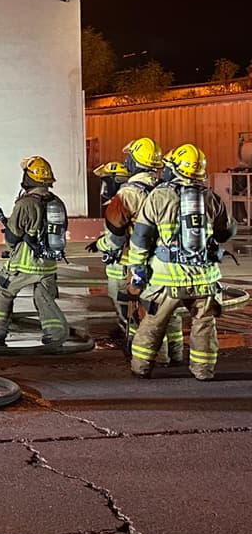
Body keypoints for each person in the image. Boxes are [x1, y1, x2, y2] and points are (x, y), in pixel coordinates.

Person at [124, 143, 235, 380]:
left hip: (166, 280)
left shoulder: (159, 196)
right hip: (205, 279)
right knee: (204, 326)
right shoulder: (210, 197)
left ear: (174, 169)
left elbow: (141, 237)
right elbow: (225, 233)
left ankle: (141, 367)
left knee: (153, 324)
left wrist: (137, 270)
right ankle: (203, 371)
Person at [90, 139, 180, 360]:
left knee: (137, 313)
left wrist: (101, 245)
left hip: (131, 264)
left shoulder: (127, 194)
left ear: (134, 161)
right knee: (167, 310)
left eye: (128, 157)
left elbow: (115, 237)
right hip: (163, 264)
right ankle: (175, 354)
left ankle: (146, 355)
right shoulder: (166, 190)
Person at [0, 156, 70, 347]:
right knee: (44, 298)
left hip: (24, 265)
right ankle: (55, 335)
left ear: (29, 178)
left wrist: (11, 239)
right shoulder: (57, 202)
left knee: (4, 293)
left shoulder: (25, 203)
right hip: (48, 264)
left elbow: (12, 236)